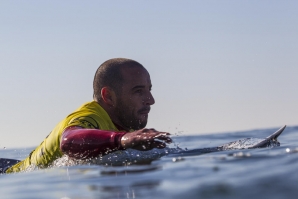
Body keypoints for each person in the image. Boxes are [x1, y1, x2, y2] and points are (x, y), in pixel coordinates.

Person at [5, 58, 172, 173]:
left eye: (149, 90)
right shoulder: (90, 116)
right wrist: (123, 140)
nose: (151, 100)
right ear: (109, 97)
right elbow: (68, 141)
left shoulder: (121, 121)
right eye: (138, 91)